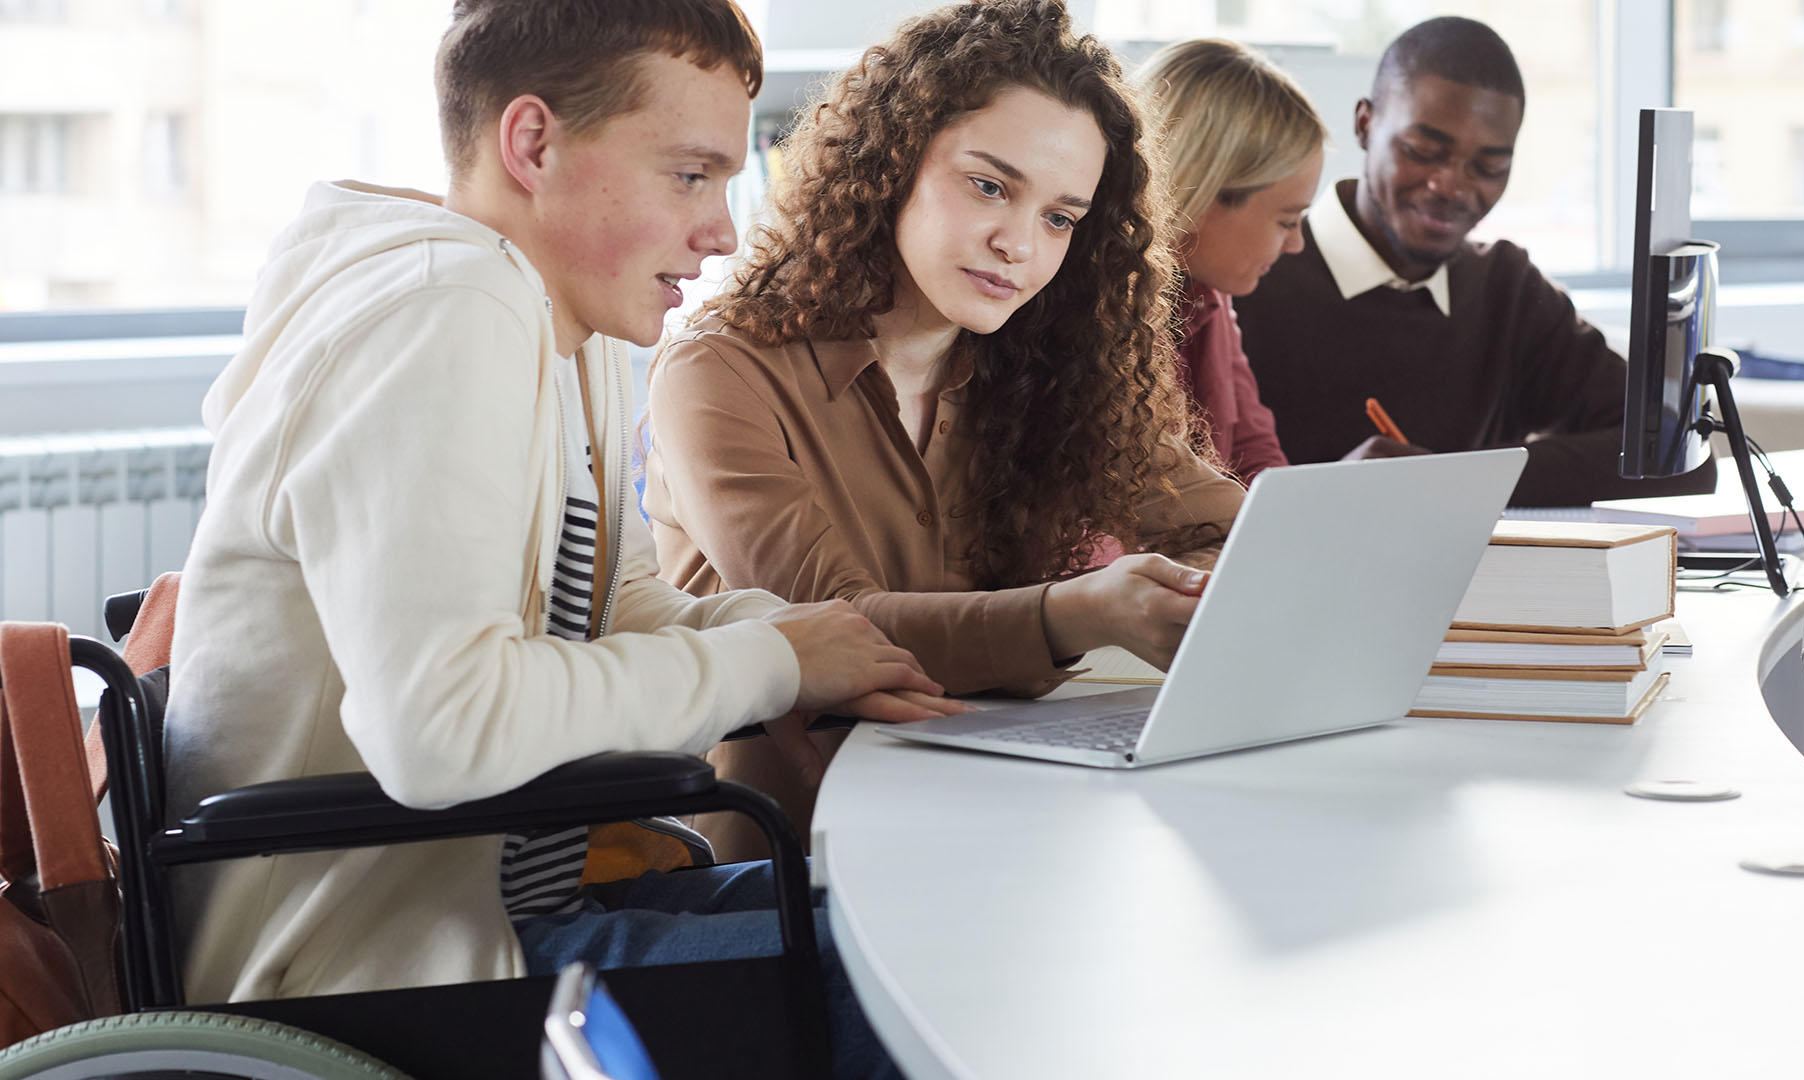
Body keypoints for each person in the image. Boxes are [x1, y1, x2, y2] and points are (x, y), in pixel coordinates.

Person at [164, 1, 959, 1073]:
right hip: (361, 974)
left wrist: (803, 639)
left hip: (515, 917)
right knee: (927, 981)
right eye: (690, 175)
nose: (723, 228)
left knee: (924, 915)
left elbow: (624, 612)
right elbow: (439, 727)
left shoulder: (563, 322)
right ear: (532, 144)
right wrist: (771, 662)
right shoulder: (447, 305)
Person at [641, 0, 1245, 858]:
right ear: (892, 164)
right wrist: (1083, 614)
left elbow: (1226, 529)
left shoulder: (1058, 372)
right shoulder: (719, 372)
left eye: (1060, 218)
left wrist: (1193, 591)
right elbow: (840, 632)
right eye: (990, 186)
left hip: (1006, 832)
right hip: (786, 877)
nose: (1019, 245)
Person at [1233, 16, 1717, 506]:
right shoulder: (1248, 277)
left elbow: (1677, 458)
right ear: (1365, 124)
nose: (1452, 186)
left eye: (1489, 167)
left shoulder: (1507, 291)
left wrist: (1449, 481)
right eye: (1422, 150)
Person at [1136, 38, 1326, 482]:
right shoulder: (1083, 310)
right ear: (1200, 198)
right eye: (1286, 220)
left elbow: (1254, 456)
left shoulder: (1210, 298)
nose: (1297, 244)